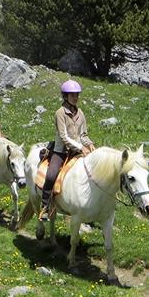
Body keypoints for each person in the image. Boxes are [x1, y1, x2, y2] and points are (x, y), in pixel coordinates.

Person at [39, 79, 95, 221]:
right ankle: (44, 206)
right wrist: (81, 147)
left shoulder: (80, 113)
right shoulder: (60, 113)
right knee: (51, 176)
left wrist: (90, 144)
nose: (75, 98)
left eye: (77, 95)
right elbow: (64, 137)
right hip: (61, 151)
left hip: (77, 151)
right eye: (72, 95)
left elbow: (83, 134)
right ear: (65, 96)